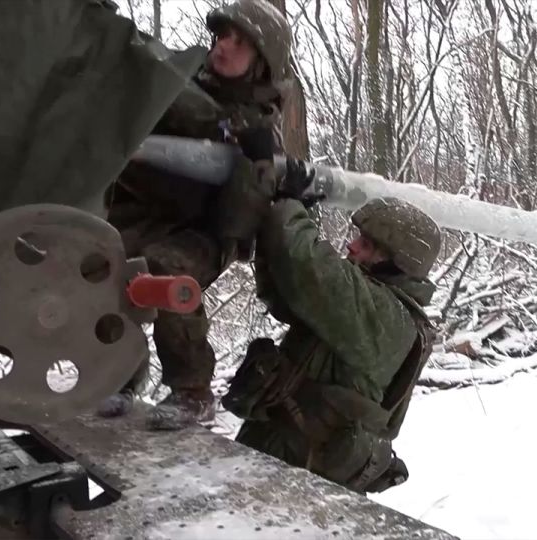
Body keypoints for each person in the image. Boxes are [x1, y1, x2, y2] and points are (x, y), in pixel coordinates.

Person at [96, 0, 301, 431]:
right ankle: (120, 375)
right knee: (104, 263)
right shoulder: (177, 83)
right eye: (222, 36)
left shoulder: (260, 127)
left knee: (167, 270)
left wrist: (258, 161)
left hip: (204, 233)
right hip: (146, 212)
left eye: (239, 43)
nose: (223, 47)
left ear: (261, 64)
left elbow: (245, 210)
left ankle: (192, 390)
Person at [221, 196, 441, 493]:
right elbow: (290, 294)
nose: (352, 246)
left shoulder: (386, 315)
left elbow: (305, 264)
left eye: (366, 243)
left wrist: (290, 202)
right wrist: (284, 219)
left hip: (297, 482)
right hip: (288, 466)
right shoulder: (373, 305)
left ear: (393, 262)